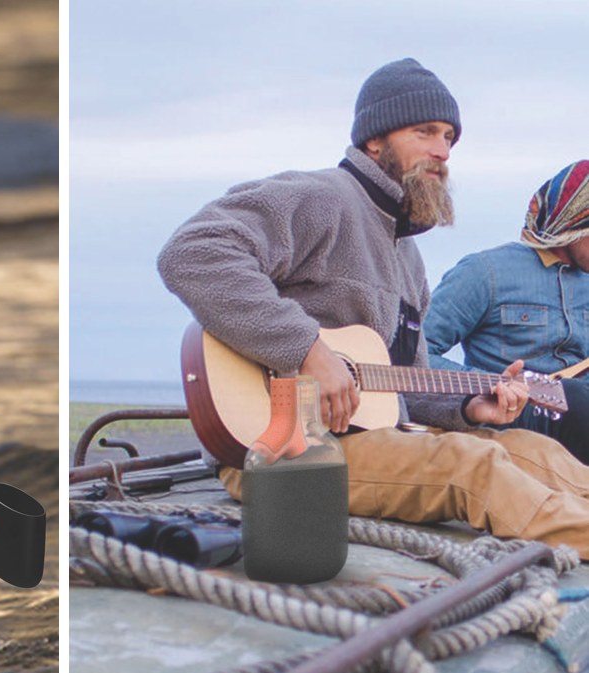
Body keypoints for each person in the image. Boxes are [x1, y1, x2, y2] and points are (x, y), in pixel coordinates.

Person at [158, 57, 589, 558]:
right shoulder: (323, 198)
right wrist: (307, 351)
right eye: (424, 132)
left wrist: (471, 406)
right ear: (374, 140)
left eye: (449, 137)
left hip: (372, 438)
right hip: (285, 454)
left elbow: (409, 381)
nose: (442, 151)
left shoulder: (408, 256)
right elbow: (193, 251)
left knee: (528, 449)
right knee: (472, 465)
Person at [425, 160, 589, 464]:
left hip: (580, 420)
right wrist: (489, 384)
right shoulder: (484, 272)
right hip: (512, 416)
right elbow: (415, 352)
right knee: (576, 399)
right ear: (574, 224)